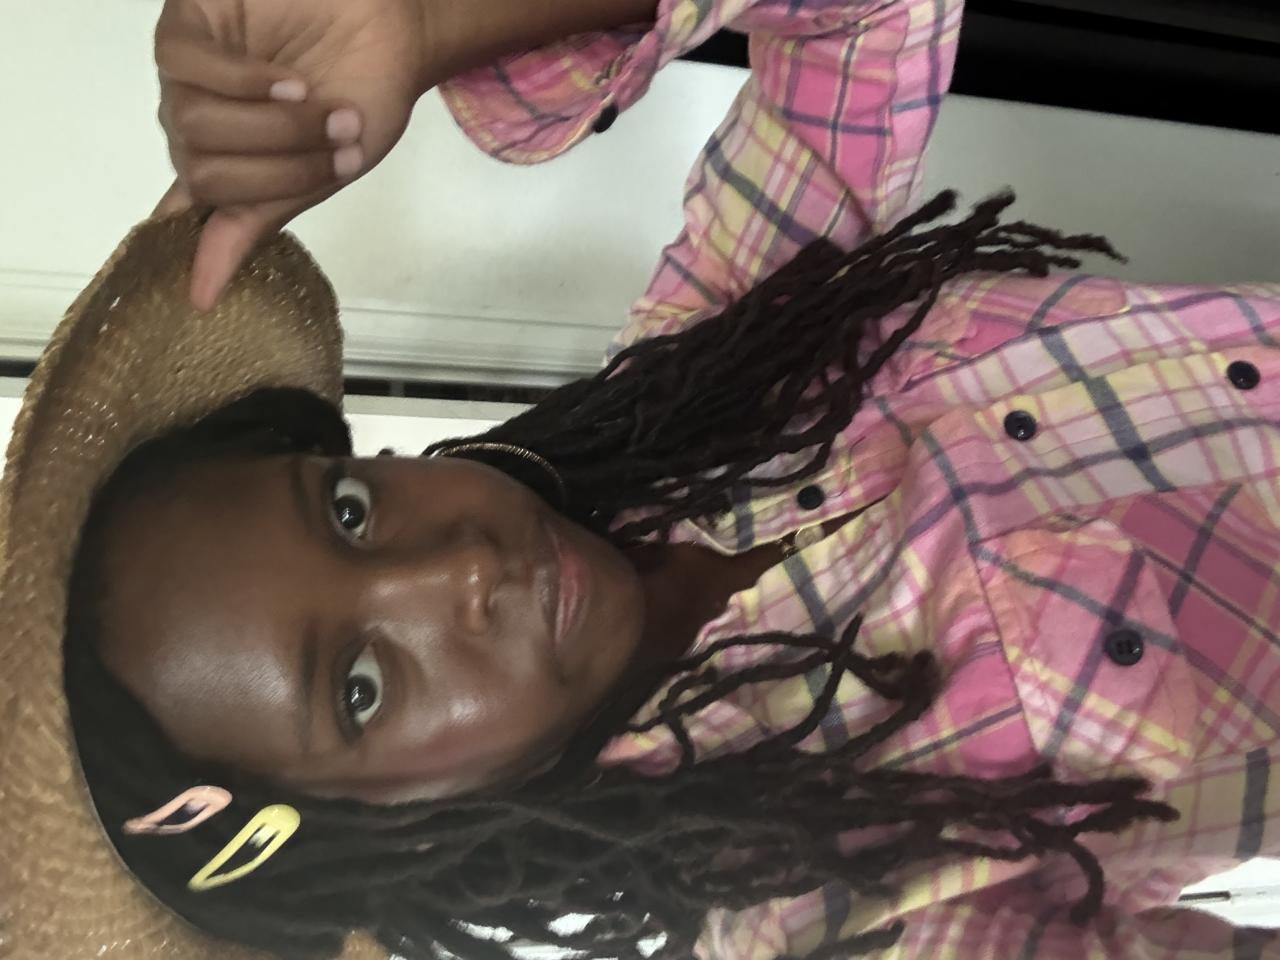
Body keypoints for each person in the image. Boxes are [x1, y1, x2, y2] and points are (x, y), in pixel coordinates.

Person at [2, 0, 1279, 957]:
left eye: (348, 513)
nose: (457, 570)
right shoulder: (822, 893)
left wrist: (434, 24)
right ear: (385, 824)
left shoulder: (717, 371)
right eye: (360, 684)